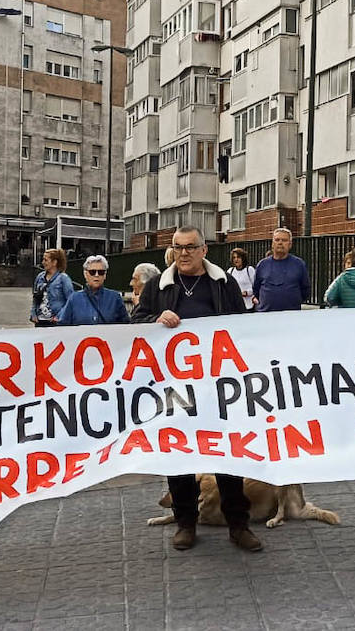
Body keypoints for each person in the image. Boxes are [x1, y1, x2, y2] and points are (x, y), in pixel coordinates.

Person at [132, 226, 261, 553]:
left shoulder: (223, 283)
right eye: (178, 247)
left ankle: (238, 524)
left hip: (218, 385)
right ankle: (185, 522)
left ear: (204, 250)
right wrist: (155, 317)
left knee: (228, 455)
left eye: (190, 247)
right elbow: (135, 321)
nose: (184, 253)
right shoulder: (158, 287)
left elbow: (242, 326)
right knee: (180, 456)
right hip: (174, 387)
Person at [59, 255, 129, 325]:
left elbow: (125, 326)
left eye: (101, 272)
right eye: (92, 272)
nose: (96, 275)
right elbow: (63, 325)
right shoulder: (74, 298)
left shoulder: (115, 298)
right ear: (85, 274)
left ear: (105, 275)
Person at [252, 227, 309, 312]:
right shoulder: (262, 265)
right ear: (272, 244)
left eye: (284, 240)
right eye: (277, 240)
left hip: (291, 315)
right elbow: (256, 289)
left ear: (290, 244)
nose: (280, 243)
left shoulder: (299, 264)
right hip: (265, 315)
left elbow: (305, 290)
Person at [31, 248, 74, 326]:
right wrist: (33, 313)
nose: (43, 262)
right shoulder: (40, 277)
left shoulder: (63, 278)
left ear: (54, 262)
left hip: (55, 321)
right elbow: (35, 297)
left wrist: (59, 316)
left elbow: (71, 301)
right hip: (40, 320)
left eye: (46, 260)